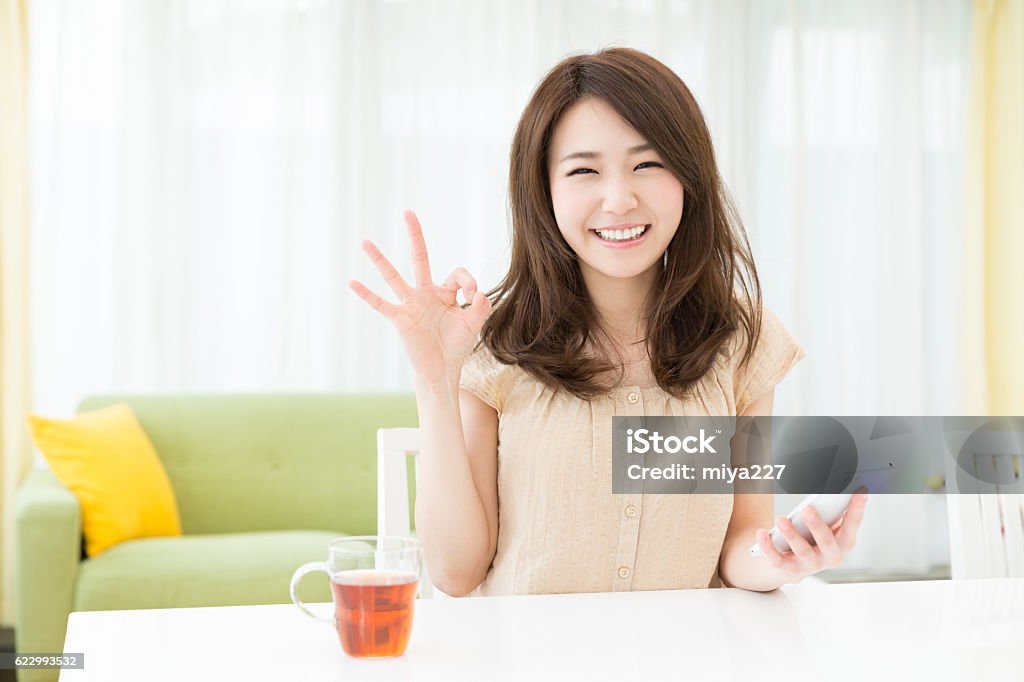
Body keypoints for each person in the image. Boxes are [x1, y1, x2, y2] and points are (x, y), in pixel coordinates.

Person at [349, 47, 868, 597]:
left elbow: (741, 542)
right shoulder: (493, 341)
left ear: (689, 179)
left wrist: (784, 557)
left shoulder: (739, 337)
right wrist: (435, 381)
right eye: (584, 171)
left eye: (648, 164)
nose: (619, 199)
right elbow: (456, 574)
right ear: (543, 192)